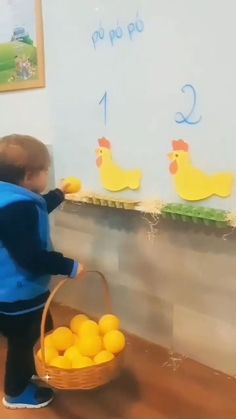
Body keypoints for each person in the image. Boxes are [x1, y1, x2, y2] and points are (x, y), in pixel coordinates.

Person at [0, 134, 83, 409]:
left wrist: (59, 194)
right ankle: (16, 392)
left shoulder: (11, 198)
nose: (48, 173)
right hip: (18, 292)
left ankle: (34, 369)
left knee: (40, 330)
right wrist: (68, 266)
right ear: (28, 176)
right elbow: (32, 258)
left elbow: (36, 209)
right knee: (24, 342)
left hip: (10, 290)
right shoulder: (18, 208)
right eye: (46, 170)